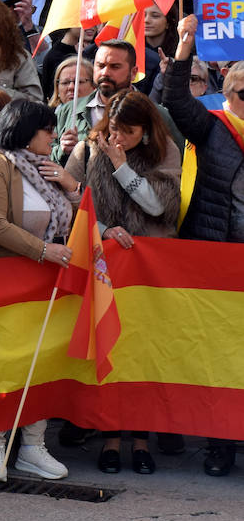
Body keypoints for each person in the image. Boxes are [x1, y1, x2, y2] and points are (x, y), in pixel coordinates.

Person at [64, 90, 180, 476]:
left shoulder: (165, 153)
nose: (119, 139)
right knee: (111, 351)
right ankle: (111, 438)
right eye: (114, 130)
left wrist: (121, 165)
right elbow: (72, 207)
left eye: (128, 132)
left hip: (149, 274)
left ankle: (142, 442)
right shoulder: (86, 151)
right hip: (107, 266)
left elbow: (158, 206)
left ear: (146, 130)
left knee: (143, 354)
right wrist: (103, 229)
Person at [0, 99, 80, 482]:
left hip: (46, 284)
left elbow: (81, 217)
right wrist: (44, 250)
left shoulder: (50, 168)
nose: (53, 135)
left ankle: (33, 445)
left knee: (41, 364)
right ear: (25, 131)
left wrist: (71, 184)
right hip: (7, 282)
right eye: (46, 129)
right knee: (5, 364)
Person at [161, 15, 244, 476]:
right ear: (229, 93)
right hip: (217, 257)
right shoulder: (211, 128)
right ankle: (220, 447)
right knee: (218, 356)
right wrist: (184, 47)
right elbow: (175, 99)